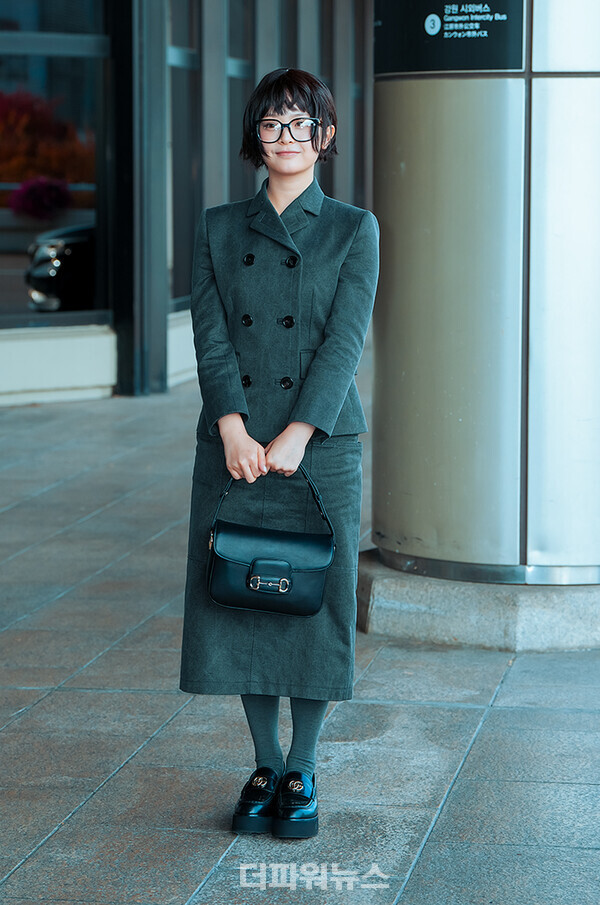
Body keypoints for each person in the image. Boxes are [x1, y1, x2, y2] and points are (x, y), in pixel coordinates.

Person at [179, 68, 379, 839]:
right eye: (272, 124)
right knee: (242, 597)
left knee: (313, 603)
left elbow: (344, 341)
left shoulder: (354, 228)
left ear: (325, 136)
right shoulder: (218, 226)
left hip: (318, 448)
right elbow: (210, 335)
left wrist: (298, 433)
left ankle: (303, 767)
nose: (286, 137)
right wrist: (233, 427)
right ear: (254, 137)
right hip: (232, 447)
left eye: (302, 124)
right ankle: (263, 764)